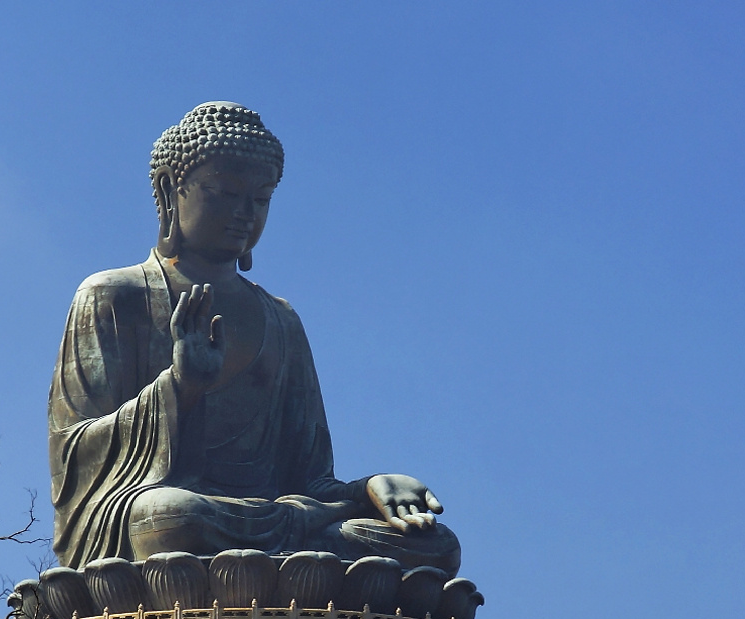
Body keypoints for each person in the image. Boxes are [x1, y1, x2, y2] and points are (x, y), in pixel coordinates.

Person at [48, 102, 460, 573]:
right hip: (167, 514)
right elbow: (73, 451)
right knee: (168, 519)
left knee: (434, 544)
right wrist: (179, 388)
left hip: (282, 518)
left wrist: (367, 488)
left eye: (260, 199)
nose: (245, 214)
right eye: (225, 193)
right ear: (169, 188)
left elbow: (310, 480)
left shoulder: (281, 319)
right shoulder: (113, 296)